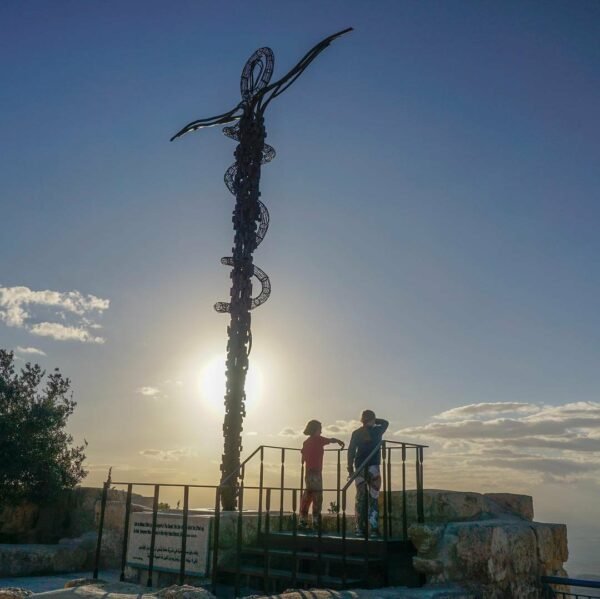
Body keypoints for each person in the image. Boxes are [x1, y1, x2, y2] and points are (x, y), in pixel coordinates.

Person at [347, 410, 389, 537]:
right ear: (372, 419)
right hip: (373, 467)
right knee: (374, 497)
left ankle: (359, 528)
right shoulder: (377, 431)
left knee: (360, 497)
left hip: (359, 467)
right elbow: (386, 422)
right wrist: (374, 420)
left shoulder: (356, 433)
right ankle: (374, 529)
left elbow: (351, 451)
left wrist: (350, 468)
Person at [299, 419, 345, 530]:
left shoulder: (306, 442)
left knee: (308, 495)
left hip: (308, 473)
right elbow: (331, 440)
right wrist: (339, 441)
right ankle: (315, 522)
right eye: (320, 428)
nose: (321, 430)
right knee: (317, 497)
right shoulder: (318, 440)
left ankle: (302, 521)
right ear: (316, 429)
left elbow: (302, 458)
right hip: (316, 472)